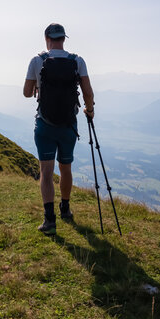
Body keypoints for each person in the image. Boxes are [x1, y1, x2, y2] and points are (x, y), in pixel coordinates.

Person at [23, 23, 95, 235]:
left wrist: (38, 85)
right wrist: (89, 110)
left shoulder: (37, 61)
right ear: (64, 39)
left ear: (46, 38)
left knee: (46, 171)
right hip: (68, 124)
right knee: (66, 167)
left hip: (45, 124)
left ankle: (49, 220)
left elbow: (27, 93)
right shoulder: (77, 61)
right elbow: (88, 93)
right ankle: (65, 208)